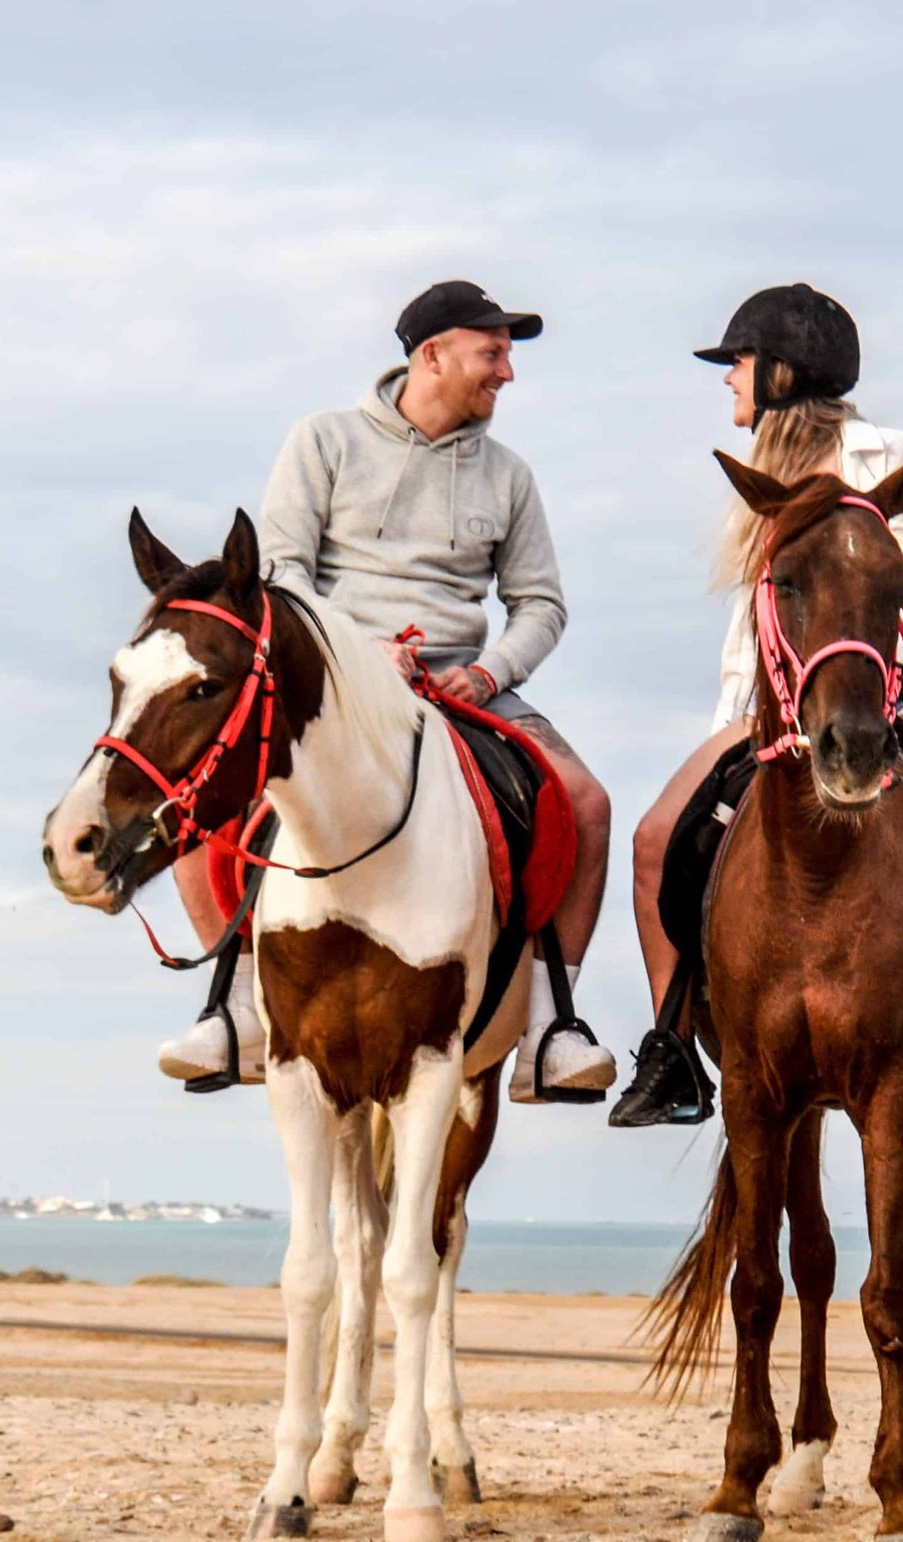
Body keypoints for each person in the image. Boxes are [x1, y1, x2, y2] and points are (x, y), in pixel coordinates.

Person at [611, 283, 903, 1134]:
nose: (729, 378)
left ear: (783, 372)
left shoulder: (888, 453)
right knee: (656, 842)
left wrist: (861, 669)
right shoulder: (758, 477)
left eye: (740, 363)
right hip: (775, 701)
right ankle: (673, 1049)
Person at [159, 280, 616, 1104]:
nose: (506, 373)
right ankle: (236, 1005)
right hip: (336, 679)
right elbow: (283, 570)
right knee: (204, 796)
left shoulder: (510, 477)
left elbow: (540, 604)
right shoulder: (323, 441)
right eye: (494, 352)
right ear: (431, 354)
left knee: (584, 802)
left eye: (507, 355)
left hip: (464, 685)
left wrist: (487, 672)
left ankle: (552, 1026)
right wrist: (357, 651)